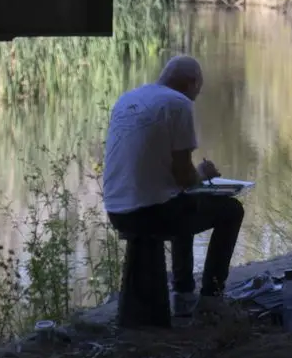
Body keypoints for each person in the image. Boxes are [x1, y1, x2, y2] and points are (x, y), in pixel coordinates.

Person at [103, 54, 245, 321]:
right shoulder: (178, 104)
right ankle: (211, 298)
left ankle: (183, 294)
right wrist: (203, 174)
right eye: (198, 91)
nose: (195, 97)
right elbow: (184, 176)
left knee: (182, 200)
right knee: (231, 210)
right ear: (191, 83)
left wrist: (192, 182)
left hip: (116, 211)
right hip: (149, 214)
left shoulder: (129, 99)